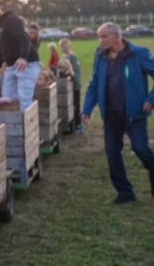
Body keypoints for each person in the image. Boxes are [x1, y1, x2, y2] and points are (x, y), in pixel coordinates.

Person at [81, 22, 154, 204]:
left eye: (104, 36)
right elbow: (95, 83)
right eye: (99, 36)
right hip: (111, 114)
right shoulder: (100, 56)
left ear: (116, 36)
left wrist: (151, 100)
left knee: (141, 149)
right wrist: (86, 108)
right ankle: (125, 191)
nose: (101, 40)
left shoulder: (138, 54)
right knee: (112, 153)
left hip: (134, 113)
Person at [0, 0, 41, 111]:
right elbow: (0, 52)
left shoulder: (11, 20)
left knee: (24, 97)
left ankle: (28, 127)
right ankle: (12, 126)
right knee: (7, 97)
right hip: (11, 65)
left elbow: (24, 39)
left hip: (27, 63)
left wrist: (23, 57)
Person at [59, 37, 84, 133]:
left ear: (69, 46)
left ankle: (78, 125)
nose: (64, 48)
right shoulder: (62, 58)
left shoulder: (73, 58)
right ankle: (70, 124)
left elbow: (77, 71)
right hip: (64, 88)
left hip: (74, 87)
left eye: (65, 46)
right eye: (62, 46)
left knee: (75, 105)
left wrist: (72, 78)